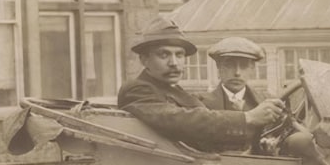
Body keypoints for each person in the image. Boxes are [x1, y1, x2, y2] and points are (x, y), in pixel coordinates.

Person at [117, 16, 284, 152]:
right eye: (164, 55)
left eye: (179, 55)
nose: (174, 63)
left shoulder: (175, 91)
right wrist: (248, 117)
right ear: (144, 59)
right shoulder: (137, 90)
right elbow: (181, 119)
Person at [200, 37, 267, 112]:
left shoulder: (265, 103)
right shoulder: (201, 104)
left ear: (252, 67)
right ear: (218, 66)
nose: (237, 73)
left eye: (243, 66)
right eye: (230, 65)